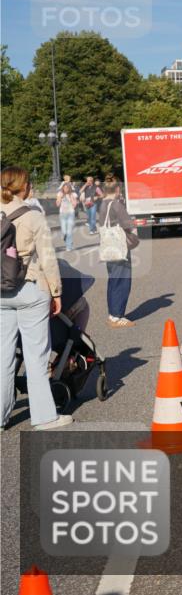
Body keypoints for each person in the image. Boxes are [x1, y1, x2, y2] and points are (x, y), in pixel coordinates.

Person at [1, 167, 73, 430]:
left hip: (1, 293)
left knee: (3, 355)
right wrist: (56, 292)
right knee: (35, 355)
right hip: (30, 288)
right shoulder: (33, 217)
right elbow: (48, 259)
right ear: (25, 186)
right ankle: (44, 416)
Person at [98, 182, 140, 328]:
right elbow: (128, 224)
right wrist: (134, 238)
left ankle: (112, 314)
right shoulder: (116, 205)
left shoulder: (103, 205)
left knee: (113, 280)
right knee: (123, 281)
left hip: (109, 247)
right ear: (116, 189)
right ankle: (117, 316)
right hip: (119, 247)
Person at [55, 182, 78, 252]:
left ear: (69, 188)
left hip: (71, 213)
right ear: (63, 188)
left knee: (69, 231)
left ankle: (69, 246)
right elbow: (57, 205)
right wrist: (60, 198)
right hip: (62, 214)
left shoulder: (73, 194)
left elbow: (74, 205)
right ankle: (68, 240)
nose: (66, 189)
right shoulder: (60, 194)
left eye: (67, 188)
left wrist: (71, 198)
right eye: (64, 188)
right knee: (64, 231)